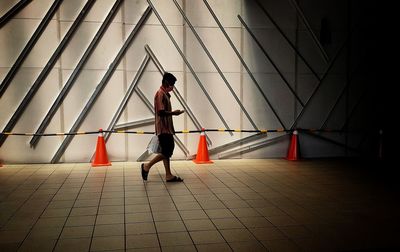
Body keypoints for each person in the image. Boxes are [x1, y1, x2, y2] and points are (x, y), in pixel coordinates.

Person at [141, 72, 184, 182]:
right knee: (167, 151)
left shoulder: (165, 94)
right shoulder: (160, 94)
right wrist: (173, 113)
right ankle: (147, 166)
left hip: (167, 128)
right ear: (166, 82)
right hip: (163, 128)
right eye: (172, 84)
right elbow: (160, 112)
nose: (172, 87)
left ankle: (168, 175)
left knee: (166, 151)